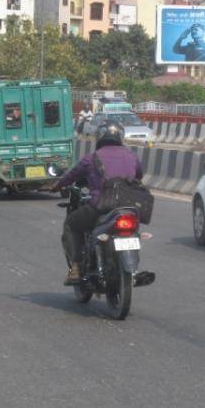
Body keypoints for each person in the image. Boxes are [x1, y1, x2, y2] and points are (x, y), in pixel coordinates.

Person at [53, 121, 143, 285]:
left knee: (71, 224)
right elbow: (139, 176)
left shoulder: (92, 158)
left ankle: (76, 267)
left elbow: (71, 176)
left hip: (101, 206)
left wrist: (57, 185)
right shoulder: (132, 156)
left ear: (99, 138)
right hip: (128, 207)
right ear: (120, 137)